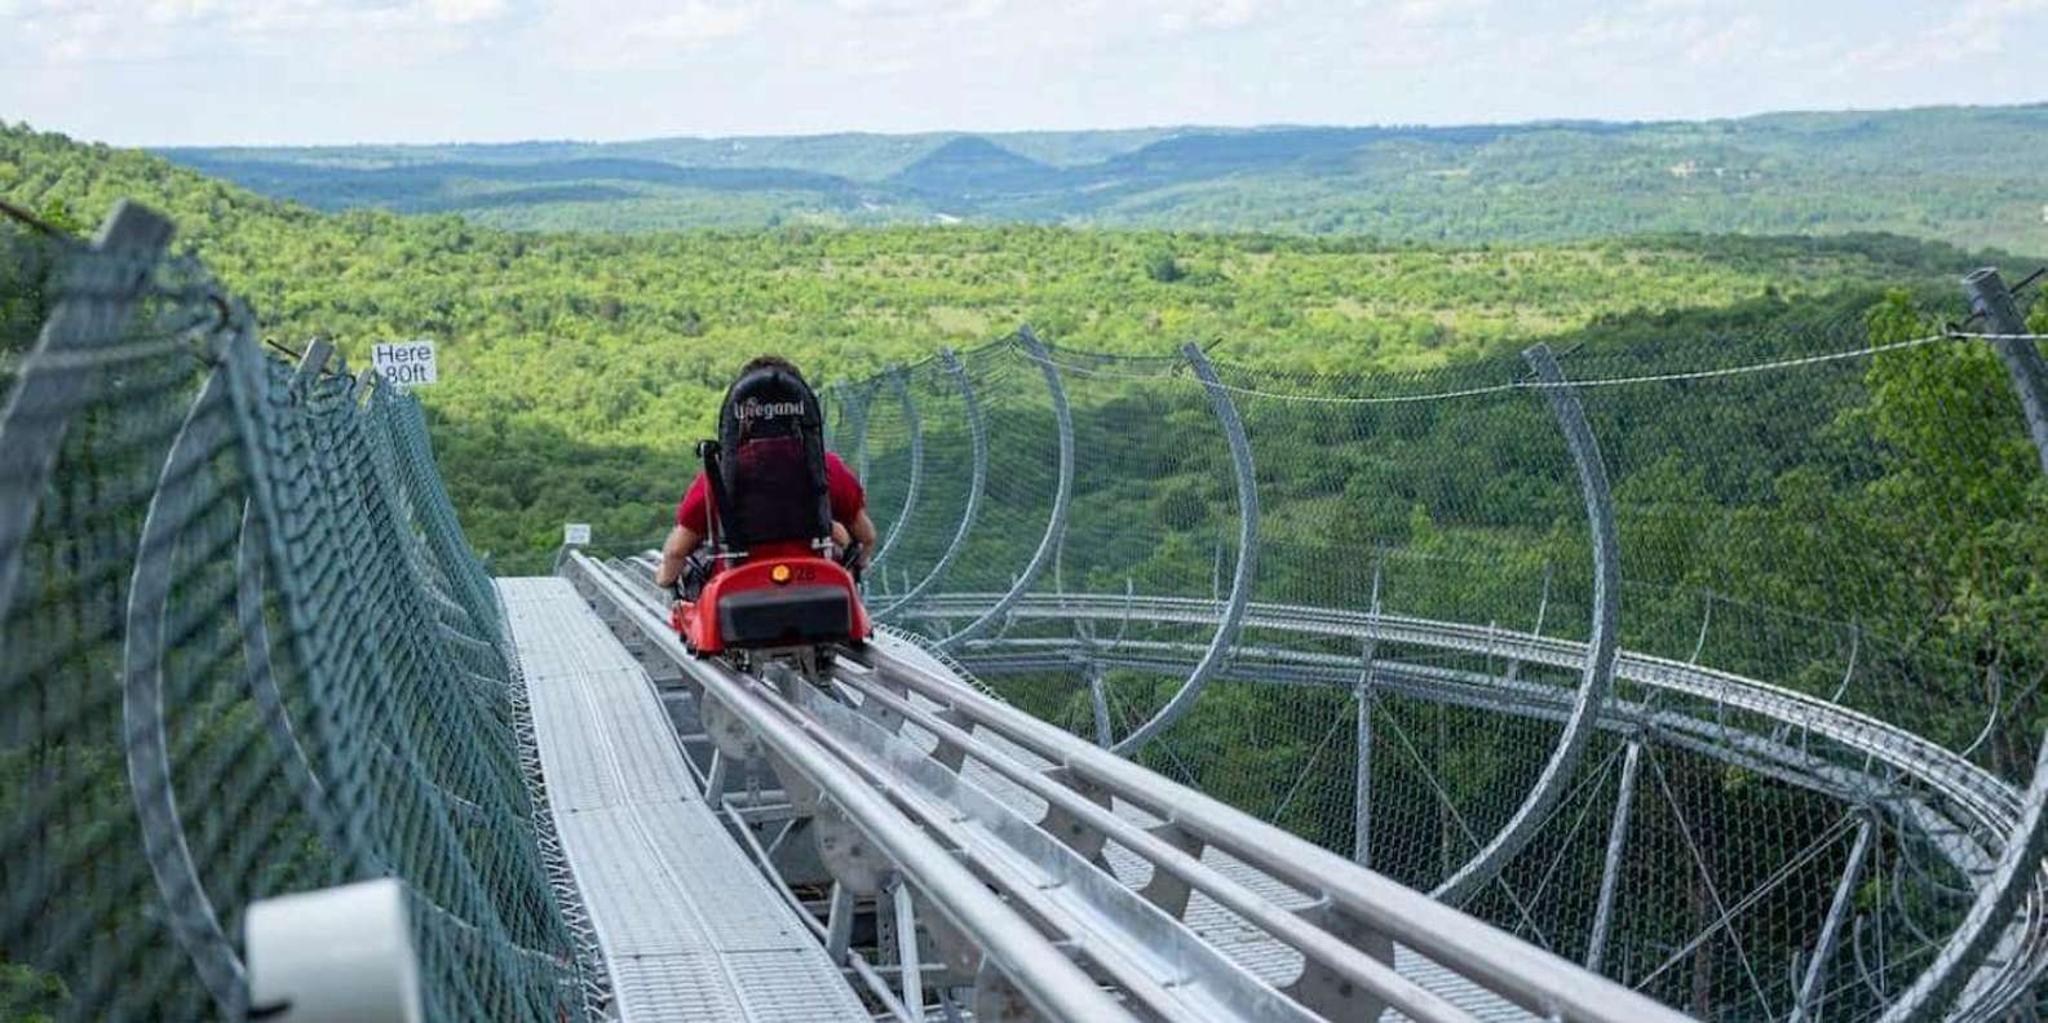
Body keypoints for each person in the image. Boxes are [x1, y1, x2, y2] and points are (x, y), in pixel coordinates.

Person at [655, 355, 877, 603]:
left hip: (737, 595)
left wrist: (665, 578)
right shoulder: (827, 468)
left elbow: (677, 550)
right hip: (816, 589)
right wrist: (858, 565)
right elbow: (866, 537)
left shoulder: (720, 475)